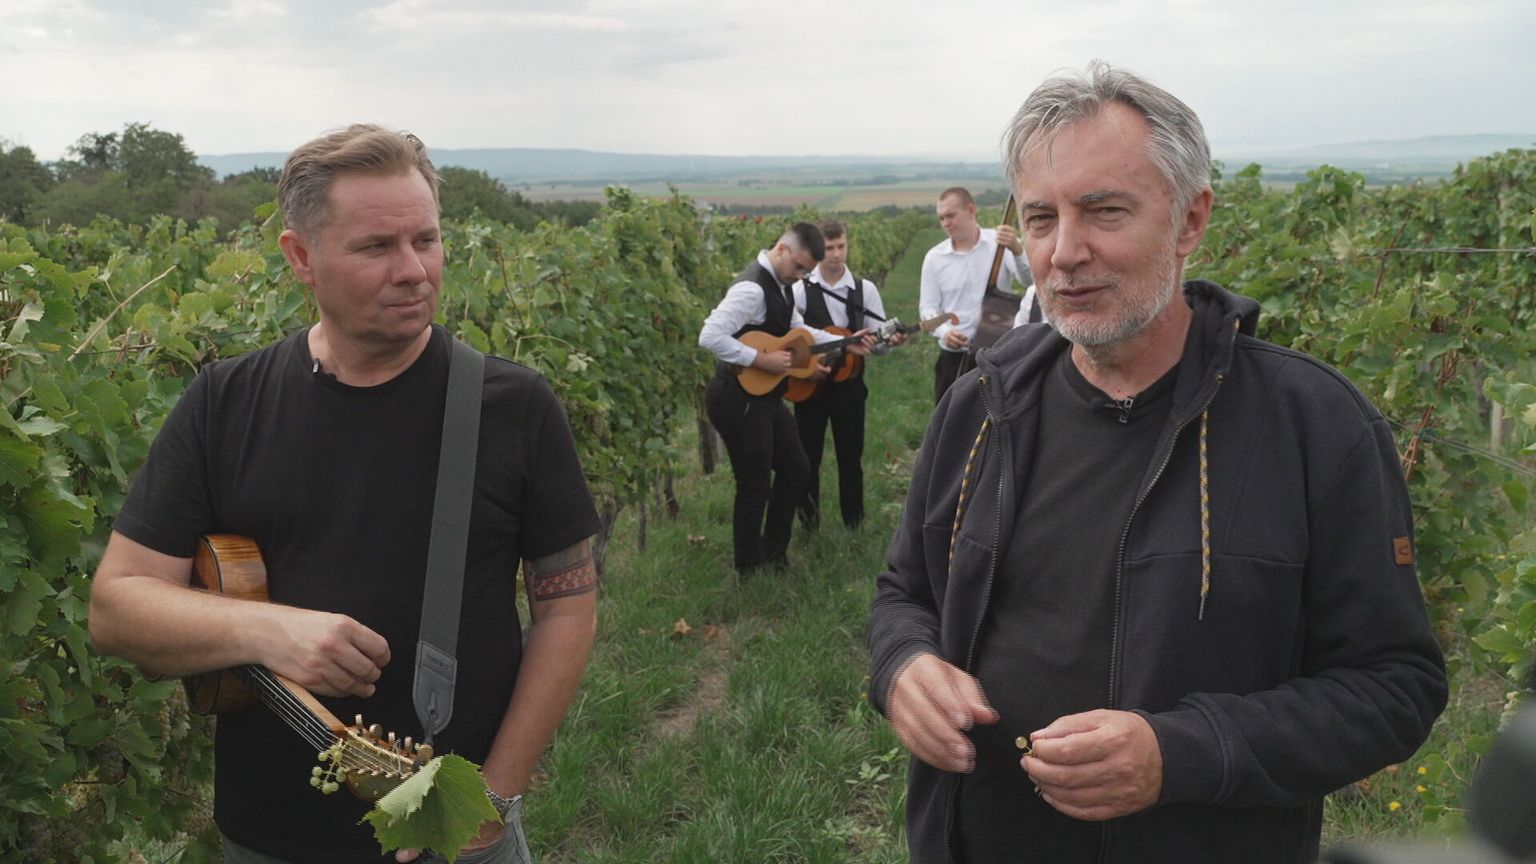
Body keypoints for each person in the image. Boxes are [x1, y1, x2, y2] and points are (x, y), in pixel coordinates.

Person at [866, 63, 1447, 864]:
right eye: (1041, 218)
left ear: (1189, 220)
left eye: (1104, 211)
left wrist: (1182, 754)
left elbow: (1394, 687)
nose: (1066, 252)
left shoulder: (1315, 427)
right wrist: (902, 666)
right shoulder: (978, 409)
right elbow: (905, 593)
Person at [88, 125, 601, 864]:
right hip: (267, 835)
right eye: (376, 247)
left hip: (456, 837)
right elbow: (116, 606)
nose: (413, 270)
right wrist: (271, 631)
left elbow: (566, 610)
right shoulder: (223, 402)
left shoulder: (513, 406)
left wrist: (491, 801)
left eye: (426, 240)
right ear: (301, 257)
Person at [698, 222, 872, 572]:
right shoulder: (752, 289)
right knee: (754, 484)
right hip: (736, 397)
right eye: (799, 267)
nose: (802, 275)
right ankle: (749, 570)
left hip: (765, 395)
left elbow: (798, 331)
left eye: (806, 271)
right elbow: (709, 336)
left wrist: (844, 342)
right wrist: (760, 359)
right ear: (782, 249)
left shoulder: (784, 285)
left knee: (796, 468)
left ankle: (774, 554)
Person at [789, 219, 906, 530]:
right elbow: (790, 341)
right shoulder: (800, 291)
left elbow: (878, 345)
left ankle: (854, 523)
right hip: (810, 386)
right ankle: (808, 524)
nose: (836, 254)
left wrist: (887, 343)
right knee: (807, 458)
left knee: (851, 457)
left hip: (850, 387)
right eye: (829, 248)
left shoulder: (864, 289)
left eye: (841, 246)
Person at [918, 187, 1031, 403]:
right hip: (953, 356)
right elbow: (927, 309)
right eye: (941, 218)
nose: (946, 223)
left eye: (951, 215)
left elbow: (1028, 282)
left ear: (970, 210)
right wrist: (945, 332)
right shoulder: (934, 258)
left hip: (996, 351)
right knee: (950, 416)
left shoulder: (1000, 243)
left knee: (999, 415)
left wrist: (1017, 250)